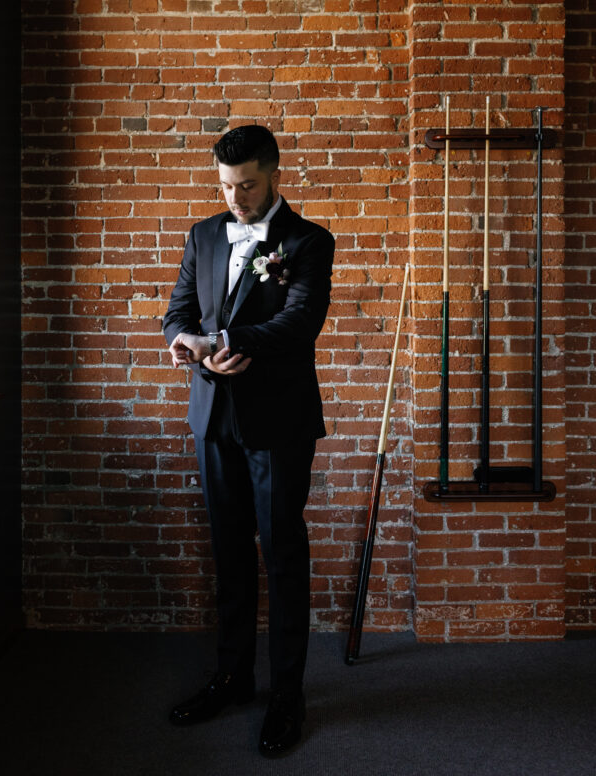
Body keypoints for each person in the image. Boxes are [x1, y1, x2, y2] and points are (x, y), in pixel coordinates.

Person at [163, 124, 334, 758]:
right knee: (229, 551)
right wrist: (183, 343)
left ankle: (287, 694)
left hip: (278, 421)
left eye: (248, 185)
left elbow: (300, 322)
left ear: (275, 175)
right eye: (227, 186)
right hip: (212, 417)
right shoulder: (204, 234)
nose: (235, 198)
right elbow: (178, 311)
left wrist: (225, 342)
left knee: (281, 552)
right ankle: (233, 677)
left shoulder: (310, 241)